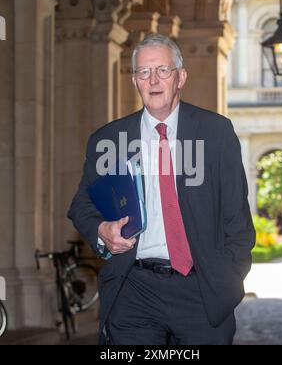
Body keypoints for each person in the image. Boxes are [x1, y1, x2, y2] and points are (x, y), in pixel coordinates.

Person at [67, 34, 256, 345]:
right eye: (144, 72)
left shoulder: (215, 132)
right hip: (134, 288)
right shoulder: (110, 140)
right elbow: (81, 205)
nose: (153, 80)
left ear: (180, 77)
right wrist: (102, 230)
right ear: (134, 80)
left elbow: (236, 216)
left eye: (163, 71)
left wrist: (228, 279)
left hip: (201, 290)